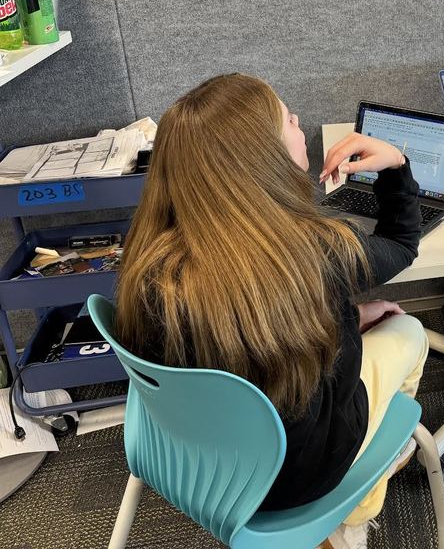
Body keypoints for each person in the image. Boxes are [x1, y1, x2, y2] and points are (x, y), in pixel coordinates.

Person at [115, 73, 427, 549]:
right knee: (409, 330)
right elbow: (402, 244)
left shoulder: (149, 261)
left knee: (364, 322)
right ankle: (360, 501)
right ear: (265, 158)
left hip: (198, 465)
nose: (299, 121)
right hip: (302, 477)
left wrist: (348, 318)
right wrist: (396, 165)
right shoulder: (316, 251)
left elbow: (242, 339)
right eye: (289, 120)